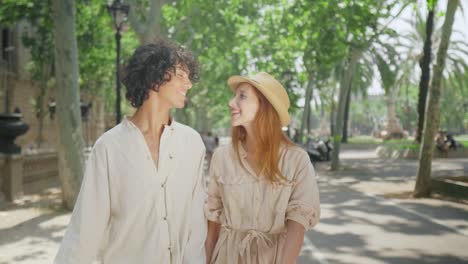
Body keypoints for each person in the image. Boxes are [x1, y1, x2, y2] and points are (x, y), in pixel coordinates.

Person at [54, 39, 207, 264]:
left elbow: (196, 226)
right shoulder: (109, 147)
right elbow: (86, 229)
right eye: (181, 76)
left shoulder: (192, 143)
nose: (189, 84)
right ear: (155, 78)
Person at [204, 72, 320, 264]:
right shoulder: (222, 157)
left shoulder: (295, 159)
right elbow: (213, 221)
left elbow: (298, 223)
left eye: (242, 96)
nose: (231, 103)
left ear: (264, 105)